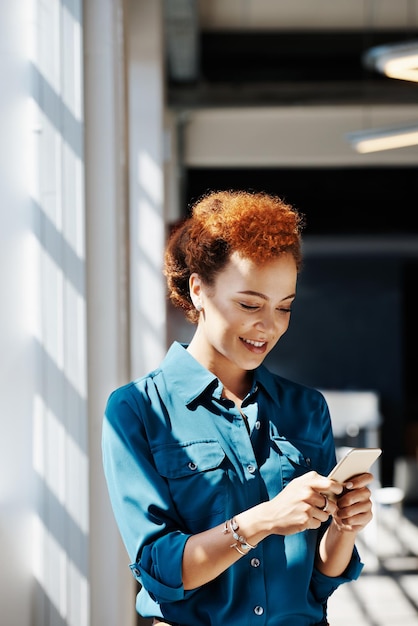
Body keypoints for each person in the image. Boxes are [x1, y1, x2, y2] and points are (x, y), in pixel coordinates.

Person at [102, 189, 374, 626]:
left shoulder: (306, 409)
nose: (269, 326)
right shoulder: (138, 410)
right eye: (250, 304)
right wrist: (264, 519)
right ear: (198, 291)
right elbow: (160, 569)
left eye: (284, 307)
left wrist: (344, 528)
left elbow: (320, 581)